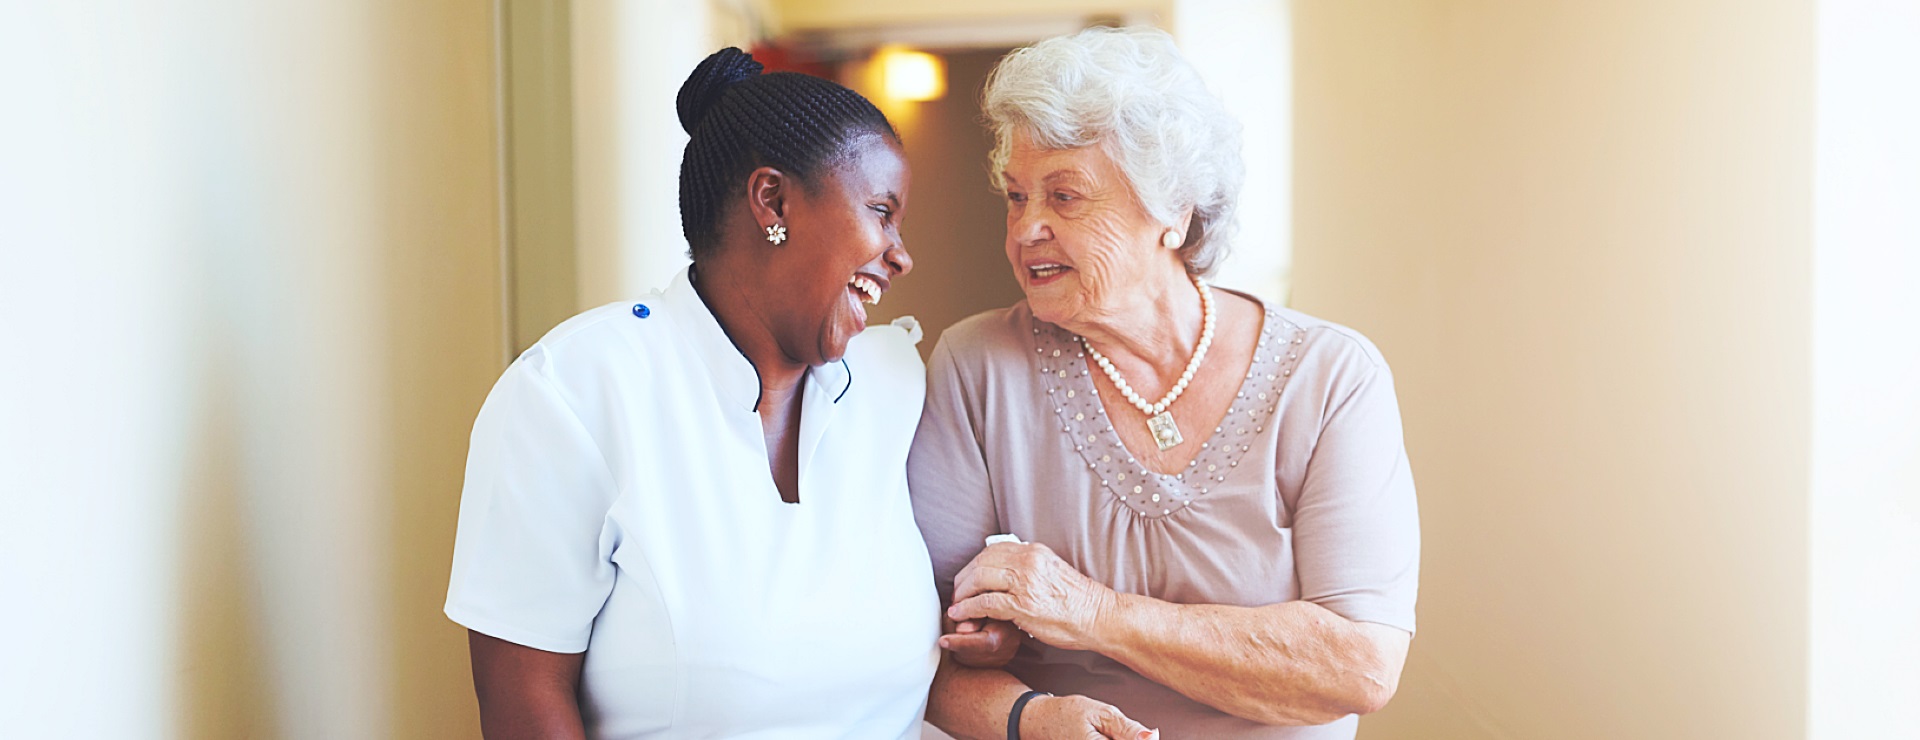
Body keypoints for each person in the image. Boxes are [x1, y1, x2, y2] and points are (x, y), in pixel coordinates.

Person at [911, 27, 1420, 739]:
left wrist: (1091, 614)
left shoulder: (1330, 378)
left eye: (1065, 196)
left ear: (1173, 213)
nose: (1027, 228)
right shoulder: (977, 366)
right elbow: (914, 651)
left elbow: (1360, 666)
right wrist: (1031, 715)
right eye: (1016, 196)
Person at [445, 47, 934, 739]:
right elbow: (524, 705)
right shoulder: (574, 392)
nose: (900, 252)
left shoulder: (896, 384)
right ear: (773, 200)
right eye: (881, 211)